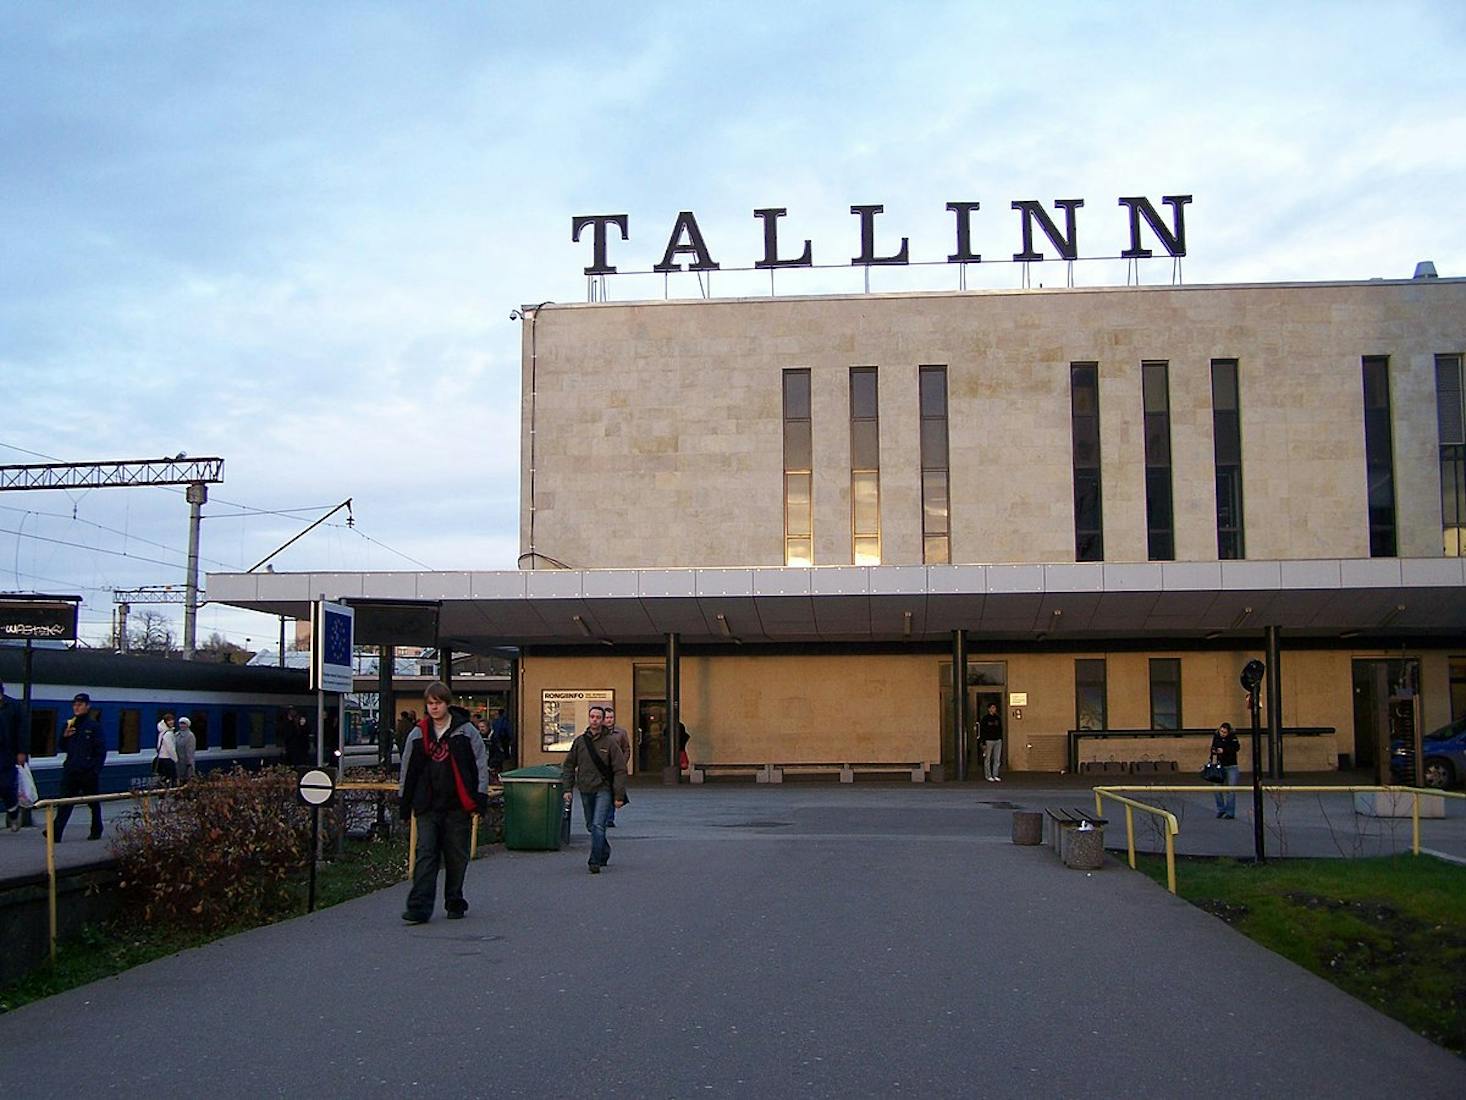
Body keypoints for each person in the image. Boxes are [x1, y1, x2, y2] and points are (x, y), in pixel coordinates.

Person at [397, 682, 489, 924]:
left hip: (457, 804)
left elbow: (480, 764)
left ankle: (454, 899)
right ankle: (419, 907)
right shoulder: (418, 733)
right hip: (427, 805)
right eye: (430, 703)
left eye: (438, 703)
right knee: (426, 854)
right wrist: (404, 802)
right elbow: (407, 769)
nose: (434, 707)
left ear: (447, 703)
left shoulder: (466, 731)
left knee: (456, 856)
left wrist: (480, 797)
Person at [560, 704, 626, 873]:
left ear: (603, 720)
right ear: (589, 719)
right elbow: (568, 765)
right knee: (591, 825)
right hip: (585, 788)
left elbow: (619, 769)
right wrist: (567, 789)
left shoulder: (610, 743)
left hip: (603, 789)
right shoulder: (580, 742)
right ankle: (604, 850)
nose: (595, 720)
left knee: (598, 825)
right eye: (592, 717)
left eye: (598, 717)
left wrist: (618, 795)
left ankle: (594, 861)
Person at [54, 693, 106, 841]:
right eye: (75, 705)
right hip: (71, 770)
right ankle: (56, 832)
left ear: (87, 706)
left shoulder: (93, 726)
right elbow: (62, 747)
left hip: (87, 771)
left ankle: (96, 829)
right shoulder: (69, 725)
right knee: (65, 802)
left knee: (93, 803)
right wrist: (64, 736)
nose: (76, 707)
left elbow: (101, 750)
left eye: (80, 705)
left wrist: (95, 770)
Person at [1, 681, 24, 832]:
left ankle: (13, 812)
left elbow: (21, 730)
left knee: (6, 787)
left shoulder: (13, 706)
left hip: (7, 754)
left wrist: (21, 751)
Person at [602, 704, 630, 826]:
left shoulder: (621, 733)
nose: (609, 720)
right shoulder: (598, 733)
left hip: (615, 767)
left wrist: (622, 763)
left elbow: (626, 749)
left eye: (611, 717)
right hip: (601, 767)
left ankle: (609, 818)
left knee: (613, 792)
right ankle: (601, 816)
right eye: (607, 717)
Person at [1210, 721, 1242, 819]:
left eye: (1224, 732)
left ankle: (1230, 812)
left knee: (1231, 790)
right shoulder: (1216, 736)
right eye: (1221, 731)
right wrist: (1214, 752)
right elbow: (1213, 747)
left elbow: (1236, 748)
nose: (1222, 733)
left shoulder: (1232, 738)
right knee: (1217, 789)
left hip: (1231, 765)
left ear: (1228, 732)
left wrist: (1224, 750)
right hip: (1220, 765)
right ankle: (1221, 809)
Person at [978, 702, 1004, 782]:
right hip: (988, 740)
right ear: (989, 709)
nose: (994, 709)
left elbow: (1000, 729)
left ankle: (995, 774)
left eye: (995, 708)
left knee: (997, 758)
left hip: (998, 740)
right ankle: (988, 775)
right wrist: (983, 742)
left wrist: (1000, 738)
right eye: (992, 708)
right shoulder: (985, 719)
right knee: (988, 758)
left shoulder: (998, 718)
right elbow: (982, 731)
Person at [154, 713, 179, 783]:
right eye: (169, 720)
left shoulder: (162, 732)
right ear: (165, 722)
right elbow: (170, 748)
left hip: (161, 759)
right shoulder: (168, 734)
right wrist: (175, 759)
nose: (171, 722)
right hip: (168, 759)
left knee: (164, 780)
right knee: (172, 780)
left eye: (172, 720)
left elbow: (158, 746)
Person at [174, 716, 197, 783]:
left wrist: (189, 764)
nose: (182, 725)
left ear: (187, 725)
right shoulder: (176, 735)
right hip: (177, 763)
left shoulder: (190, 736)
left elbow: (190, 751)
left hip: (186, 764)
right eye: (181, 723)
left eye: (184, 724)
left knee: (186, 781)